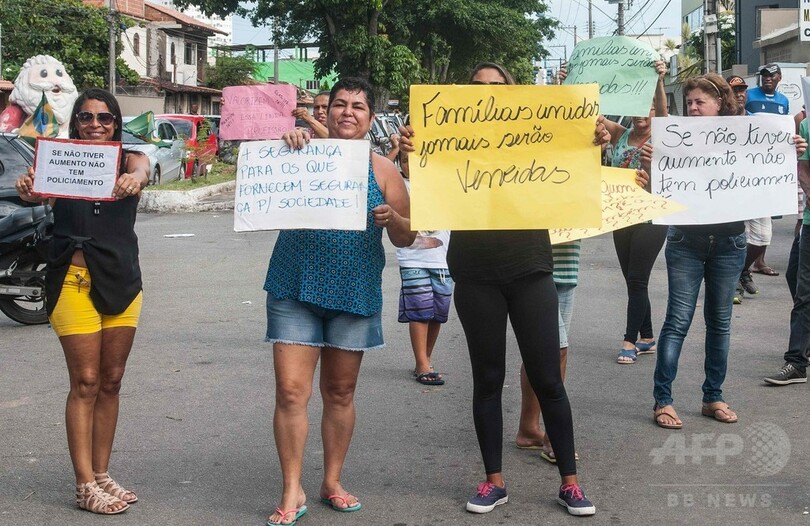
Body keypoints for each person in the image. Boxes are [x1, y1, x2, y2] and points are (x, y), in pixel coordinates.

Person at [400, 62, 604, 517]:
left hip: (531, 267)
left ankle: (570, 483)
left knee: (549, 378)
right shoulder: (447, 133)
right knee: (487, 379)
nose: (488, 93)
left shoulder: (538, 131)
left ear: (514, 93)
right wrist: (412, 152)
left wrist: (593, 144)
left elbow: (574, 167)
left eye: (498, 86)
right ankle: (494, 481)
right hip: (474, 272)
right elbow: (426, 185)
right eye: (478, 87)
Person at [264, 77, 414, 526]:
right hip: (295, 286)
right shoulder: (299, 151)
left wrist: (395, 218)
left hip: (353, 290)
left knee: (340, 391)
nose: (348, 112)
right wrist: (287, 142)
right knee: (291, 391)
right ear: (326, 112)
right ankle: (292, 486)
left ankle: (332, 480)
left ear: (371, 118)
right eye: (340, 105)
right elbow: (264, 186)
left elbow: (408, 236)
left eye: (359, 107)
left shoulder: (384, 171)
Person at [15, 88, 151, 514]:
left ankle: (103, 472)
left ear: (116, 124)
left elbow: (143, 166)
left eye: (105, 118)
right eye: (87, 118)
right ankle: (83, 482)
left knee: (112, 381)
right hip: (71, 280)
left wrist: (137, 178)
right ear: (75, 123)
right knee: (86, 381)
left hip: (122, 282)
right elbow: (31, 190)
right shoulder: (56, 160)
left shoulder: (127, 161)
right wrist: (28, 190)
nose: (95, 125)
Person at [650, 74, 807, 428]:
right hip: (684, 243)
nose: (692, 108)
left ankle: (713, 396)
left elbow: (775, 158)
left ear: (719, 103)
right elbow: (658, 177)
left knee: (719, 324)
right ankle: (663, 400)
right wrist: (650, 158)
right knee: (677, 321)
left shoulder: (746, 134)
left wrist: (791, 149)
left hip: (729, 242)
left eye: (699, 102)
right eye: (688, 102)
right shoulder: (675, 137)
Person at [603, 60, 669, 364]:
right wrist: (568, 81)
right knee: (632, 280)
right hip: (621, 216)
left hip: (651, 218)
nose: (643, 116)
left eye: (649, 109)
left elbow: (664, 108)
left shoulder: (662, 136)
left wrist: (657, 81)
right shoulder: (620, 134)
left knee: (638, 279)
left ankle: (629, 340)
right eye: (638, 109)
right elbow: (588, 113)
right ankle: (647, 336)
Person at [395, 143, 453, 386]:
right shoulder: (398, 186)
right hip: (413, 258)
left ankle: (426, 358)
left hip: (443, 259)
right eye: (405, 160)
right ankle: (421, 363)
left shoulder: (442, 184)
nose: (410, 165)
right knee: (420, 310)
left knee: (437, 313)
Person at [764, 114, 810, 386]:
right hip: (808, 222)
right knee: (797, 281)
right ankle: (798, 357)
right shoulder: (805, 124)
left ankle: (796, 360)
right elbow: (803, 169)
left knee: (804, 290)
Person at [741, 64, 791, 287]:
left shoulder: (783, 101)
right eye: (764, 75)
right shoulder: (749, 95)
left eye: (771, 75)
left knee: (767, 222)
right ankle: (742, 268)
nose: (767, 79)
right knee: (747, 225)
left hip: (770, 167)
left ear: (779, 77)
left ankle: (758, 262)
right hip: (747, 165)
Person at [726, 75, 757, 303]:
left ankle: (743, 269)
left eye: (742, 90)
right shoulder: (719, 122)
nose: (739, 94)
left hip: (756, 190)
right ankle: (735, 279)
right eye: (734, 90)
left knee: (761, 237)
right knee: (735, 236)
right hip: (729, 191)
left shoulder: (759, 121)